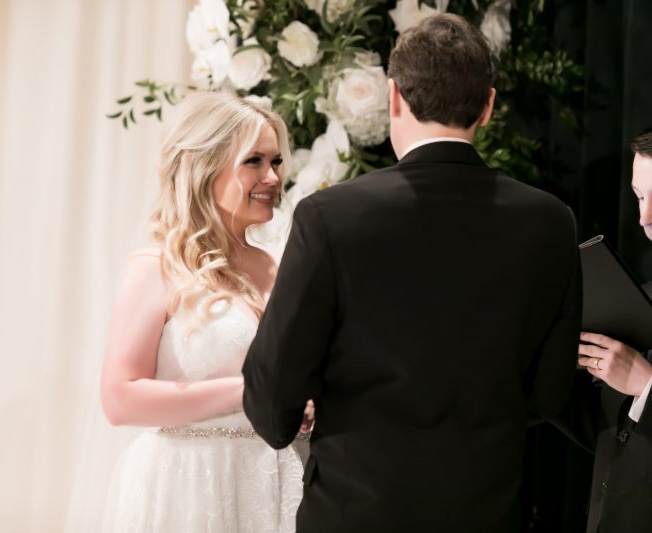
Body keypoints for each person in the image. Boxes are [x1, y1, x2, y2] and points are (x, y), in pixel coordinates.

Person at [242, 14, 582, 533]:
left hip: (356, 513)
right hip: (488, 513)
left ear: (394, 97)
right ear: (488, 106)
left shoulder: (331, 217)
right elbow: (550, 394)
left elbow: (271, 400)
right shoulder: (551, 222)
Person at [97, 91, 304, 532]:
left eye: (276, 162)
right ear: (205, 167)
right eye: (253, 161)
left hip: (270, 481)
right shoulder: (156, 268)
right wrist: (250, 391)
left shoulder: (276, 266)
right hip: (186, 486)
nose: (272, 177)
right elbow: (120, 398)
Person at [560, 129, 652, 533]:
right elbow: (608, 431)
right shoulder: (642, 298)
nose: (644, 217)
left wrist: (648, 385)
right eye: (640, 196)